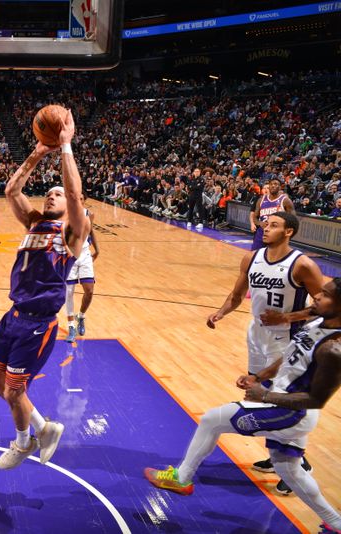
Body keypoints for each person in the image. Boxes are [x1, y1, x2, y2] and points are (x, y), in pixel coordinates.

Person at [145, 278, 341, 534]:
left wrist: (265, 396)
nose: (316, 296)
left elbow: (317, 399)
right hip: (286, 404)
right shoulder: (318, 320)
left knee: (213, 419)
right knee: (287, 468)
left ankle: (181, 479)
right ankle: (336, 524)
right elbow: (290, 356)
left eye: (325, 295)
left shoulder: (333, 350)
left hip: (292, 411)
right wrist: (259, 376)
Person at [0, 109, 88, 470]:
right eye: (48, 193)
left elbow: (74, 193)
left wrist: (65, 147)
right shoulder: (33, 221)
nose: (51, 196)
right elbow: (12, 190)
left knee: (14, 391)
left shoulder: (73, 232)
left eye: (57, 194)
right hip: (13, 314)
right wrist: (38, 153)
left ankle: (24, 440)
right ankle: (45, 428)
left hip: (39, 323)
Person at [206, 211, 325, 494]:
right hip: (256, 337)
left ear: (289, 232)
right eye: (264, 224)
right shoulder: (251, 258)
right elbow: (237, 295)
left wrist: (287, 317)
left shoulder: (303, 265)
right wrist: (220, 313)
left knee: (285, 403)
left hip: (288, 341)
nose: (265, 228)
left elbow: (326, 307)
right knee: (261, 400)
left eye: (273, 225)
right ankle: (279, 457)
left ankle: (300, 465)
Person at [64, 194, 98, 341]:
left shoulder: (89, 215)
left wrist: (97, 249)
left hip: (84, 254)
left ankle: (81, 316)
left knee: (89, 291)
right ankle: (71, 326)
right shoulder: (65, 215)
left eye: (81, 199)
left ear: (84, 201)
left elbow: (91, 232)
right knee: (69, 291)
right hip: (70, 254)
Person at [250, 177, 294, 250]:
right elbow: (255, 217)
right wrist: (260, 223)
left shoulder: (285, 201)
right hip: (262, 232)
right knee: (254, 254)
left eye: (276, 184)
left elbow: (293, 219)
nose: (273, 185)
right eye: (271, 184)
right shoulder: (261, 200)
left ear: (280, 187)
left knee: (274, 258)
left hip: (277, 233)